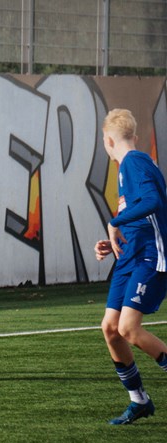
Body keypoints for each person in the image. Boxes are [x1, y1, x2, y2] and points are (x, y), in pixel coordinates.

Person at [94, 108, 167, 425]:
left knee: (128, 329)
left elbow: (154, 202)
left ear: (108, 140)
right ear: (134, 136)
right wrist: (113, 242)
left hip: (151, 257)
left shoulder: (135, 162)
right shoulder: (128, 168)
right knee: (110, 329)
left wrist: (114, 221)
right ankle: (139, 402)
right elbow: (141, 217)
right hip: (132, 256)